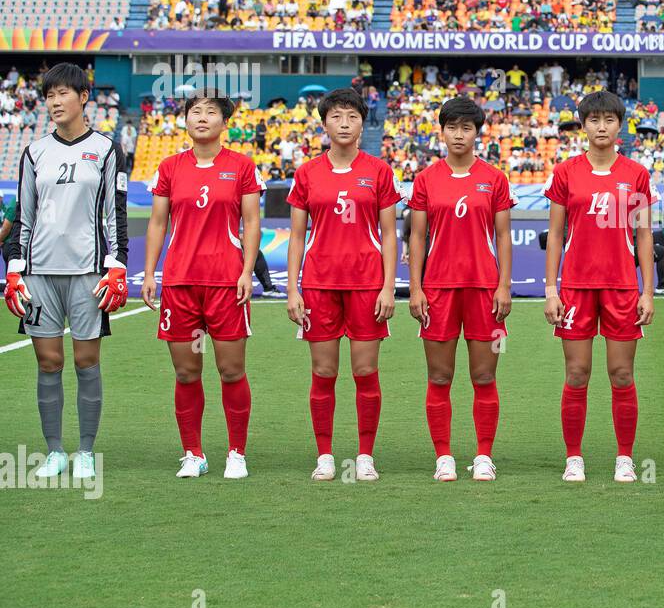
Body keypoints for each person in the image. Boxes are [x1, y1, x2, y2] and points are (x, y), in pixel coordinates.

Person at [3, 64, 128, 481]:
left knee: (86, 359)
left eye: (63, 94)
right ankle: (55, 451)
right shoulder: (35, 152)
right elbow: (24, 216)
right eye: (49, 95)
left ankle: (86, 450)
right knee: (49, 362)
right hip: (40, 272)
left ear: (83, 98)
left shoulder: (107, 150)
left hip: (89, 272)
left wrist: (118, 264)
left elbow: (116, 214)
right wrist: (15, 269)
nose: (55, 102)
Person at [141, 91, 264, 479]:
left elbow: (251, 223)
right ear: (186, 121)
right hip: (181, 284)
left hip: (226, 284)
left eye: (211, 112)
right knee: (186, 372)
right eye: (195, 111)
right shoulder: (170, 167)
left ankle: (236, 453)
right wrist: (149, 273)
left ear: (224, 123)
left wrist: (246, 271)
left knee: (231, 370)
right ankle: (193, 453)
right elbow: (158, 223)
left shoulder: (242, 166)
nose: (202, 118)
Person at [285, 88, 400, 483]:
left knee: (366, 371)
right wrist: (292, 289)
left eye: (352, 116)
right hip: (319, 285)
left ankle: (365, 455)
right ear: (325, 124)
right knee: (324, 372)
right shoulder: (307, 173)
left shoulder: (379, 171)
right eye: (336, 116)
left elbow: (389, 233)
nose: (345, 123)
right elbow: (298, 236)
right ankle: (326, 455)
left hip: (367, 285)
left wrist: (389, 287)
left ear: (362, 122)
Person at [542, 90, 655, 483]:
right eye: (594, 120)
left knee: (622, 374)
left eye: (609, 120)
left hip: (622, 287)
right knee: (577, 373)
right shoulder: (566, 172)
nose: (601, 127)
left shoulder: (636, 173)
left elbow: (643, 236)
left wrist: (646, 290)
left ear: (619, 125)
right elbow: (555, 234)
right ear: (583, 125)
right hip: (575, 287)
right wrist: (551, 289)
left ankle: (625, 457)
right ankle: (574, 457)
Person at [407, 97, 514, 483]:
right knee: (439, 378)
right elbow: (417, 237)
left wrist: (504, 285)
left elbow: (503, 235)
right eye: (452, 127)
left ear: (477, 133)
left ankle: (484, 456)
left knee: (484, 377)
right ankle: (444, 456)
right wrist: (416, 288)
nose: (458, 134)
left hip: (485, 290)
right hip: (438, 289)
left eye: (466, 128)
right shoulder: (426, 179)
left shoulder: (495, 178)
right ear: (442, 131)